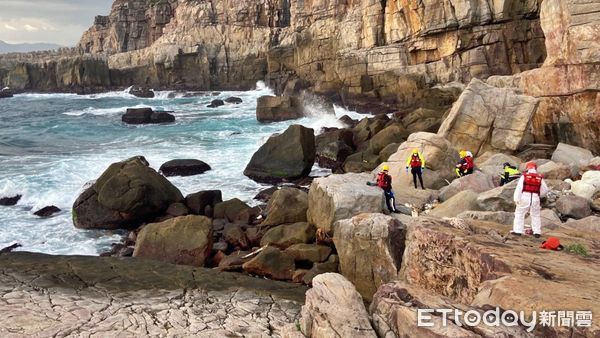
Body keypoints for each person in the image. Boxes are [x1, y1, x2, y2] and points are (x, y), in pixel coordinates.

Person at [512, 161, 548, 238]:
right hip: (535, 198)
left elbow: (519, 189)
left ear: (527, 168)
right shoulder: (539, 177)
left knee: (519, 214)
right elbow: (545, 190)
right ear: (535, 168)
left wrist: (516, 199)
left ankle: (518, 231)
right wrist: (539, 194)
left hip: (524, 197)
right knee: (536, 215)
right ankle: (537, 232)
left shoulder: (524, 176)